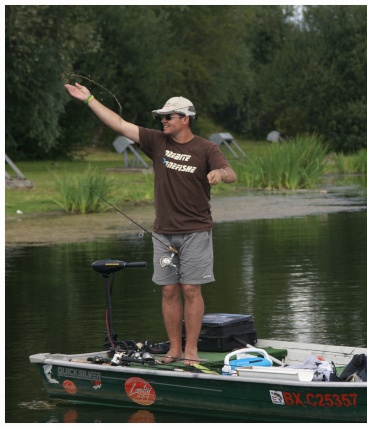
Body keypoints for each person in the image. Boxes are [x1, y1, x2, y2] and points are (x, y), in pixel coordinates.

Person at [64, 82, 237, 365]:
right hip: (163, 234)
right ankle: (174, 349)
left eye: (169, 117)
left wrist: (218, 173)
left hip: (196, 231)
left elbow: (231, 174)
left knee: (192, 290)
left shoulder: (206, 148)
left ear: (185, 119)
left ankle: (191, 350)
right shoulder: (157, 141)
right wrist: (89, 99)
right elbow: (119, 124)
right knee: (169, 290)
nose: (163, 121)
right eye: (162, 118)